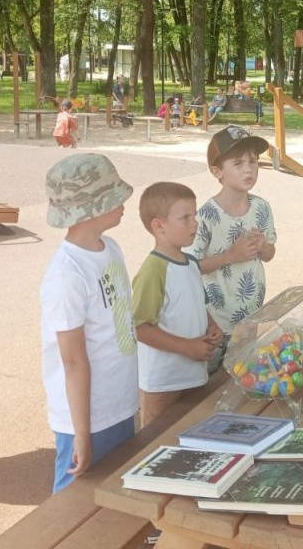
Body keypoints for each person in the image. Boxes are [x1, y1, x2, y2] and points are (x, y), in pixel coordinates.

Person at [39, 153, 139, 494]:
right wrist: (81, 432)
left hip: (117, 402)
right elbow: (73, 359)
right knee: (70, 500)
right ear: (93, 207)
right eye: (115, 196)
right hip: (85, 416)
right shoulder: (66, 274)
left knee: (112, 488)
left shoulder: (109, 248)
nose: (125, 201)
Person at [131, 182, 223, 427]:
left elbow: (194, 302)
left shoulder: (191, 263)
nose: (195, 224)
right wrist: (186, 347)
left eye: (194, 216)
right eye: (185, 218)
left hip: (192, 375)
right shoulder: (154, 270)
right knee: (156, 442)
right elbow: (140, 327)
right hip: (163, 382)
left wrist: (211, 324)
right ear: (158, 226)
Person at [189, 125, 276, 373]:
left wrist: (263, 247)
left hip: (251, 316)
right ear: (217, 171)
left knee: (242, 375)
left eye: (253, 161)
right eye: (238, 163)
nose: (248, 169)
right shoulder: (206, 215)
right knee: (208, 381)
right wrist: (231, 256)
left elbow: (270, 255)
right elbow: (190, 267)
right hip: (215, 321)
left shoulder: (262, 208)